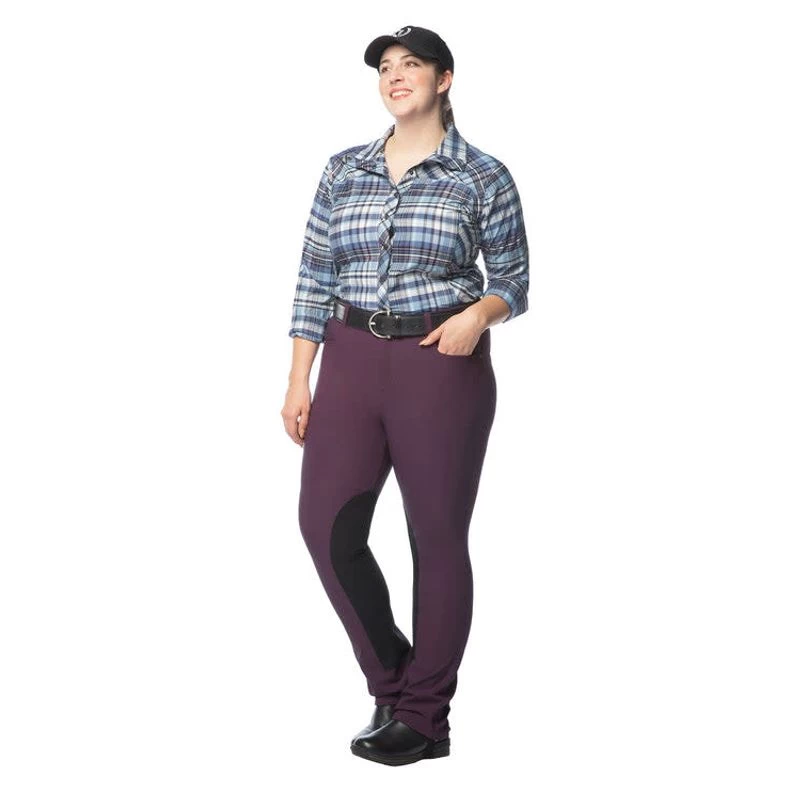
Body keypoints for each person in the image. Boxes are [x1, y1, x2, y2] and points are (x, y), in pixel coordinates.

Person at [281, 25, 529, 766]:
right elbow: (314, 275)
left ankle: (425, 719)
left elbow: (514, 280)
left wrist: (477, 317)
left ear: (443, 79)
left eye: (411, 64)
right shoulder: (343, 169)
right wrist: (299, 377)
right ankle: (392, 682)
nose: (395, 76)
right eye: (385, 67)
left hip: (439, 365)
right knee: (325, 527)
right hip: (350, 358)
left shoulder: (482, 176)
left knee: (436, 537)